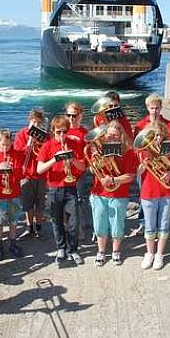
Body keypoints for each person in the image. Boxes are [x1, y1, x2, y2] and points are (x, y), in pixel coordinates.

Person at [37, 115, 86, 266]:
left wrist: (73, 160)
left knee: (74, 221)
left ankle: (73, 250)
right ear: (53, 131)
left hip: (70, 187)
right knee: (56, 221)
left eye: (64, 132)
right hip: (54, 188)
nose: (62, 135)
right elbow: (39, 170)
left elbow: (83, 168)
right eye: (58, 132)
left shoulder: (74, 144)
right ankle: (61, 248)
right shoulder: (47, 145)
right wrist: (54, 159)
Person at [87, 121, 137, 266]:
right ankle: (101, 252)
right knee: (99, 224)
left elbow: (130, 176)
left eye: (115, 135)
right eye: (109, 136)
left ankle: (116, 251)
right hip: (99, 193)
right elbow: (91, 171)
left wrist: (114, 179)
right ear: (105, 135)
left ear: (120, 135)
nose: (112, 138)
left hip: (118, 194)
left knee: (117, 225)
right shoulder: (98, 149)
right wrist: (96, 161)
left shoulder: (127, 151)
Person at [136, 122, 170, 270]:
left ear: (164, 136)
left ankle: (159, 255)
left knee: (164, 224)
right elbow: (137, 173)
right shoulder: (142, 151)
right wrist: (143, 164)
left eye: (159, 135)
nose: (157, 138)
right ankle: (149, 253)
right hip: (148, 193)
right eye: (154, 135)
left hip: (166, 193)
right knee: (149, 226)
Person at [132, 94, 170, 236]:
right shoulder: (140, 125)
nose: (155, 111)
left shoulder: (168, 124)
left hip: (163, 164)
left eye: (157, 108)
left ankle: (158, 226)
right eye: (152, 108)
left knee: (162, 197)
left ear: (161, 108)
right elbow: (137, 145)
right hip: (147, 164)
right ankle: (143, 222)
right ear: (147, 108)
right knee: (144, 195)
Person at [0, 130, 24, 261]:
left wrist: (13, 169)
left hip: (13, 193)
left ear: (11, 142)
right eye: (2, 145)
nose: (5, 148)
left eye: (8, 145)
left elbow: (21, 175)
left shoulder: (17, 155)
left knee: (13, 220)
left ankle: (13, 243)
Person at [14, 109, 50, 238]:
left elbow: (48, 152)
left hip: (41, 174)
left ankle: (39, 227)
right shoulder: (21, 134)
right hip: (26, 174)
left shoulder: (44, 136)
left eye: (38, 123)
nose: (36, 125)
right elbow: (18, 154)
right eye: (33, 122)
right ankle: (29, 228)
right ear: (29, 121)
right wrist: (29, 143)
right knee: (27, 203)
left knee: (40, 203)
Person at [65, 102, 93, 241]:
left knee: (80, 201)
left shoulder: (85, 133)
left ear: (80, 116)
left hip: (79, 173)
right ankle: (69, 227)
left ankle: (81, 227)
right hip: (64, 173)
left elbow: (89, 153)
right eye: (68, 115)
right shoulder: (63, 130)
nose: (71, 118)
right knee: (65, 201)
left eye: (74, 116)